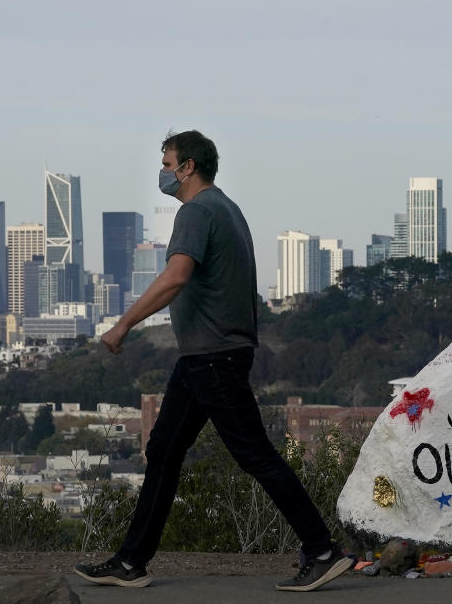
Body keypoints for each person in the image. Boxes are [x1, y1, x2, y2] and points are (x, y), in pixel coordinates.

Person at [74, 130, 353, 592]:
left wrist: (123, 324)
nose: (162, 173)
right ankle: (131, 561)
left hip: (213, 357)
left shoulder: (197, 211)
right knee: (163, 450)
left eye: (167, 164)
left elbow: (175, 276)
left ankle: (322, 550)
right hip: (204, 357)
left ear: (188, 167)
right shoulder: (225, 208)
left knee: (255, 454)